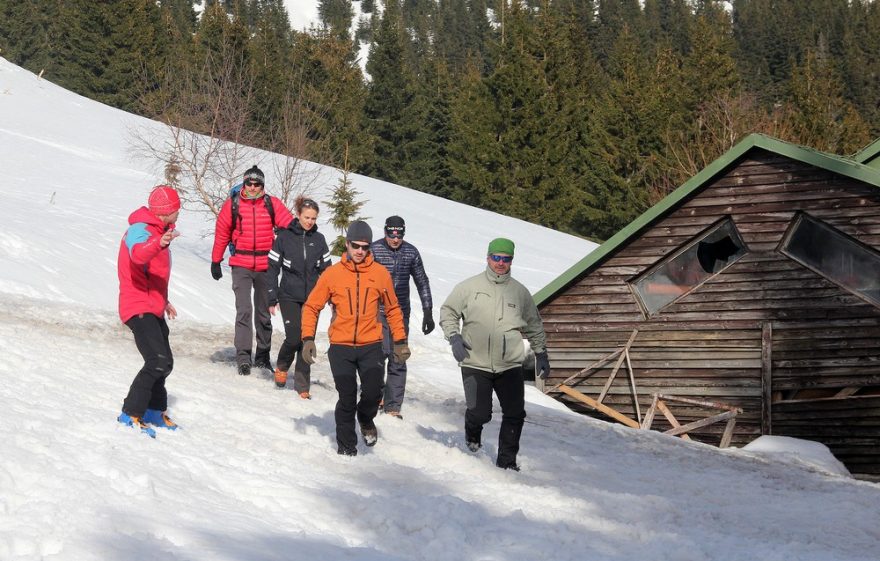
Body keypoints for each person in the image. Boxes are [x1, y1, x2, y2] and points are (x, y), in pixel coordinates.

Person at [439, 238, 551, 471]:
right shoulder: (469, 287)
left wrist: (541, 353)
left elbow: (534, 323)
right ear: (488, 258)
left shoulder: (519, 292)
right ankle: (473, 430)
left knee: (515, 413)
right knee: (480, 413)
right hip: (474, 361)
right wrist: (454, 336)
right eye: (496, 258)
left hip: (509, 364)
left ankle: (507, 462)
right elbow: (448, 311)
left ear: (512, 261)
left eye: (506, 259)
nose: (501, 263)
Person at [300, 221, 411, 456]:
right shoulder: (332, 274)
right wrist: (308, 338)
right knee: (347, 397)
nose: (360, 251)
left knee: (373, 393)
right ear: (347, 244)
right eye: (356, 246)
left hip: (371, 345)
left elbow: (393, 309)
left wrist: (400, 341)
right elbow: (311, 306)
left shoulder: (379, 274)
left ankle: (366, 418)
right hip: (341, 347)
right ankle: (346, 448)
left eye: (365, 247)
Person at [210, 165, 294, 376]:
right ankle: (243, 358)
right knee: (244, 311)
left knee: (264, 313)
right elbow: (222, 233)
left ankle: (263, 357)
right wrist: (216, 260)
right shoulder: (233, 205)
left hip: (266, 265)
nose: (253, 187)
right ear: (244, 183)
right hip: (241, 264)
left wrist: (299, 233)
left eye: (257, 184)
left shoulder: (271, 203)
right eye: (249, 183)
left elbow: (290, 225)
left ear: (262, 185)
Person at [116, 185, 183, 438]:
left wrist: (164, 301)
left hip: (153, 305)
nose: (179, 213)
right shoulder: (139, 229)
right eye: (177, 209)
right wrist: (158, 242)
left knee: (165, 363)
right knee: (156, 360)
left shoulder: (159, 231)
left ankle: (155, 411)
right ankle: (130, 413)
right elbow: (138, 255)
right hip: (137, 306)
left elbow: (151, 273)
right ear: (166, 211)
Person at [267, 196, 331, 398]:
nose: (310, 221)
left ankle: (302, 387)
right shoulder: (284, 237)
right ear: (298, 215)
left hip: (312, 299)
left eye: (313, 218)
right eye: (307, 217)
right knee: (294, 337)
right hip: (288, 295)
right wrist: (271, 296)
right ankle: (282, 366)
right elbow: (272, 268)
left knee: (307, 339)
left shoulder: (319, 240)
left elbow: (327, 271)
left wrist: (331, 296)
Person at [370, 215, 433, 419]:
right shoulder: (374, 249)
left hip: (401, 312)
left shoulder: (411, 252)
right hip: (377, 311)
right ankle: (375, 396)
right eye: (392, 235)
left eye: (399, 235)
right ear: (385, 232)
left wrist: (428, 310)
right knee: (378, 354)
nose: (395, 239)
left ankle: (393, 406)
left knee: (398, 356)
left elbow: (422, 281)